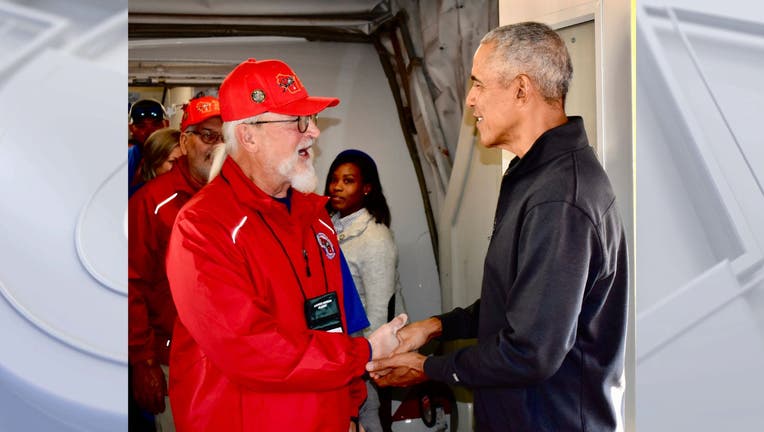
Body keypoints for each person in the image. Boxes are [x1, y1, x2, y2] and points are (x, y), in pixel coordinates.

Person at [366, 22, 629, 432]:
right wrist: (438, 327)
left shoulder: (560, 198)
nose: (469, 99)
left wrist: (428, 369)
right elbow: (517, 305)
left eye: (478, 84)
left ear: (522, 89)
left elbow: (530, 351)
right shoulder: (534, 176)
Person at [164, 58, 407, 432]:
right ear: (248, 135)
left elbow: (331, 324)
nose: (313, 133)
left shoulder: (317, 219)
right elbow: (251, 350)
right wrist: (367, 352)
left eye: (312, 120)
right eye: (297, 122)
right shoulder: (203, 226)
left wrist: (351, 410)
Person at [128, 95, 224, 432]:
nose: (217, 145)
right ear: (184, 141)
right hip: (175, 360)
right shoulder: (151, 202)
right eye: (208, 135)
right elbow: (130, 284)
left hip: (231, 359)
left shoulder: (236, 198)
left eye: (225, 137)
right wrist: (144, 361)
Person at [325, 149, 407, 432]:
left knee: (367, 420)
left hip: (362, 356)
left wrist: (369, 363)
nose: (336, 187)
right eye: (334, 179)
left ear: (367, 188)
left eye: (348, 181)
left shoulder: (375, 237)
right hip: (335, 354)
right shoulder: (327, 226)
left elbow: (379, 312)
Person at [129, 98, 170, 197]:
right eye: (141, 126)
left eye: (156, 124)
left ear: (167, 125)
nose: (149, 131)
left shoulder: (179, 157)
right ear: (131, 129)